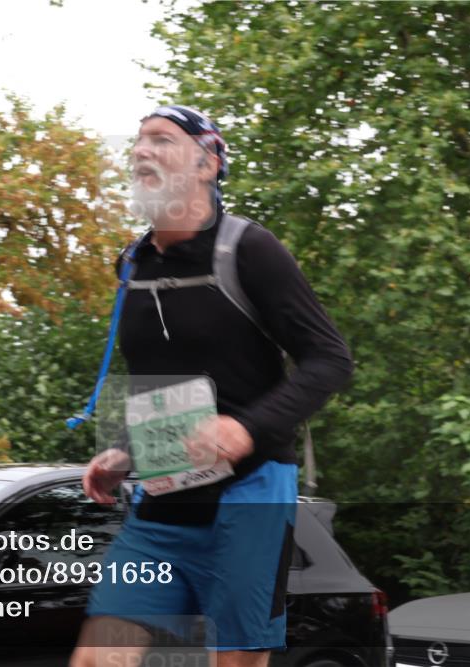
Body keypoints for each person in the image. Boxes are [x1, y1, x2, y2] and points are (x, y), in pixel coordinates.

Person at [69, 105, 354, 667]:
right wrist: (127, 453)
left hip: (250, 497)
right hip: (162, 503)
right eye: (138, 142)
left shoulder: (248, 249)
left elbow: (330, 360)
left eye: (162, 140)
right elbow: (173, 383)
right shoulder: (135, 263)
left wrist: (246, 430)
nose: (141, 151)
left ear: (208, 161)